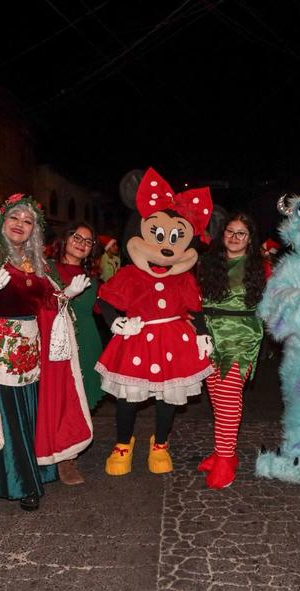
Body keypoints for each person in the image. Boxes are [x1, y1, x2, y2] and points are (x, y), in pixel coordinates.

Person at [0, 193, 93, 512]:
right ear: (2, 222)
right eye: (15, 218)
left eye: (27, 221)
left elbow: (45, 305)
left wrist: (65, 297)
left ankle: (36, 470)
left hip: (30, 355)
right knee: (5, 417)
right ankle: (19, 483)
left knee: (28, 416)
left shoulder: (36, 262)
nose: (20, 225)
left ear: (35, 228)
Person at [96, 167, 215, 477]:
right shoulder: (130, 274)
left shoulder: (183, 278)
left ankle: (160, 443)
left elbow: (195, 308)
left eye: (175, 238)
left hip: (175, 341)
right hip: (137, 336)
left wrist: (202, 333)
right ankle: (124, 443)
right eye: (159, 235)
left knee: (168, 397)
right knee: (127, 398)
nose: (166, 246)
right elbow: (106, 301)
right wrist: (115, 323)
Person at [196, 212, 266, 489]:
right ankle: (223, 452)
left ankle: (226, 459)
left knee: (227, 399)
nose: (234, 237)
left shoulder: (260, 267)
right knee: (218, 398)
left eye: (241, 233)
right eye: (230, 232)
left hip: (240, 338)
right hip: (209, 336)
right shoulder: (209, 263)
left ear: (250, 240)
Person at [51, 221, 104, 485]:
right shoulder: (47, 268)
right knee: (60, 397)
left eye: (88, 241)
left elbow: (106, 306)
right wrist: (65, 294)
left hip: (87, 341)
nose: (82, 243)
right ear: (64, 238)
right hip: (56, 341)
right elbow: (42, 302)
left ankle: (69, 456)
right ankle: (60, 454)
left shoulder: (93, 278)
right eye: (77, 237)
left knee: (81, 397)